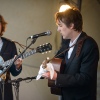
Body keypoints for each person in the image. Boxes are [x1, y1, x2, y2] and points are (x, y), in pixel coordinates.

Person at [42, 7, 99, 100]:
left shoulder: (90, 45)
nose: (58, 29)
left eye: (60, 25)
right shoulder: (66, 43)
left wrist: (57, 77)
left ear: (71, 25)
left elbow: (85, 78)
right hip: (66, 96)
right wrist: (47, 66)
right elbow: (57, 59)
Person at [0, 14, 22, 100]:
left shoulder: (10, 45)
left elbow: (14, 73)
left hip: (5, 90)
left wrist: (17, 66)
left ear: (2, 26)